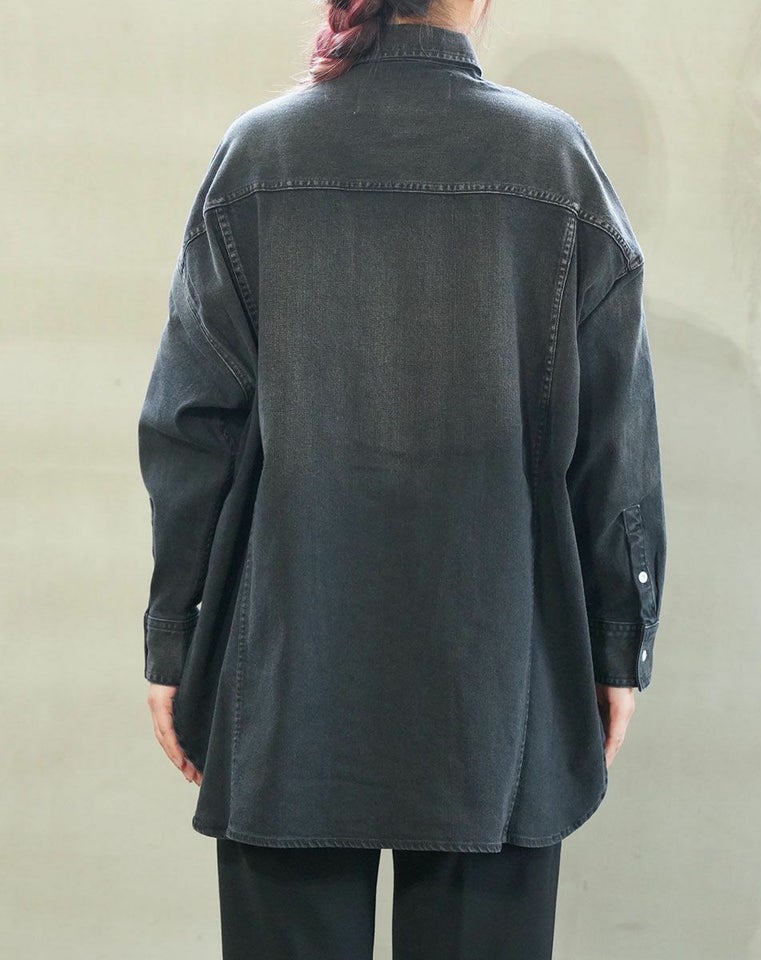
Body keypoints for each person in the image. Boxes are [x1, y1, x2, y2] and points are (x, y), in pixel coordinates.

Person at [138, 0, 667, 957]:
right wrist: (615, 642)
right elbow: (613, 440)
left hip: (290, 677)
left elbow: (190, 429)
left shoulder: (258, 158)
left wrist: (176, 637)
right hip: (498, 681)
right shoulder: (557, 166)